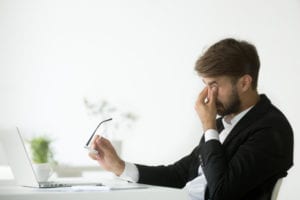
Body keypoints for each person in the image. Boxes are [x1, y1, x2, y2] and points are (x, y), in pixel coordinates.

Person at [88, 38, 294, 200]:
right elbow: (179, 174)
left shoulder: (270, 129)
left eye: (214, 85)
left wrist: (208, 126)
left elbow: (222, 193)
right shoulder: (224, 124)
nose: (207, 95)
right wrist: (119, 166)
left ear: (244, 83)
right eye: (205, 85)